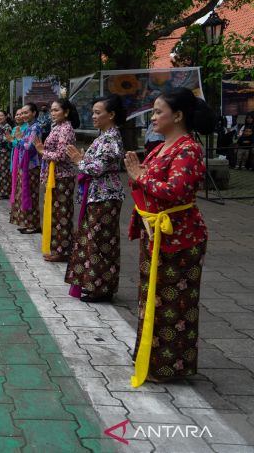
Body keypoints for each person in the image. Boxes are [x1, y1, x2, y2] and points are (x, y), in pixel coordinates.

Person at [124, 87, 213, 386]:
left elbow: (177, 191)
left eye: (158, 111)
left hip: (179, 238)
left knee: (173, 302)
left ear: (177, 115)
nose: (153, 117)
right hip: (157, 235)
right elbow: (146, 183)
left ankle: (168, 365)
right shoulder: (161, 146)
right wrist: (140, 176)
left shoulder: (187, 148)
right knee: (152, 297)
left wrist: (141, 176)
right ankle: (148, 355)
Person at [64, 96, 126, 303]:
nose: (94, 116)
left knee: (101, 242)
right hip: (97, 196)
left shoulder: (111, 138)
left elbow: (98, 169)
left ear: (112, 115)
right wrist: (83, 160)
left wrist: (79, 160)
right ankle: (95, 284)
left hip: (105, 197)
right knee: (95, 241)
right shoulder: (104, 136)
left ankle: (101, 287)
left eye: (98, 112)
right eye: (93, 112)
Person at [34, 99, 79, 262]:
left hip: (63, 177)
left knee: (62, 214)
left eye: (56, 110)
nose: (52, 113)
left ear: (66, 112)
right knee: (56, 213)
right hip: (55, 176)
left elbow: (61, 155)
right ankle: (58, 247)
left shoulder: (66, 129)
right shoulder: (57, 127)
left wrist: (42, 151)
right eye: (51, 110)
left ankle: (63, 250)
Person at [12, 104, 42, 234]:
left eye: (26, 113)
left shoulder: (36, 127)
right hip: (23, 165)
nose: (23, 115)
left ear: (34, 113)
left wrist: (18, 140)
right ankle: (28, 222)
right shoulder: (29, 127)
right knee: (24, 193)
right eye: (22, 113)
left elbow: (30, 147)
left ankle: (34, 224)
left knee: (31, 195)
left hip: (31, 166)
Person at [8, 108, 28, 225]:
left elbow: (22, 145)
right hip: (14, 156)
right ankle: (15, 210)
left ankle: (20, 211)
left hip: (21, 157)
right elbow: (11, 143)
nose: (18, 116)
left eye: (22, 114)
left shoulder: (26, 128)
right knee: (14, 183)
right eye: (17, 114)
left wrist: (13, 141)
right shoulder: (15, 128)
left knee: (19, 185)